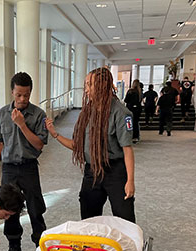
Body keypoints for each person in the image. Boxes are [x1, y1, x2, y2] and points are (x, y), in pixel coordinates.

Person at [45, 66, 135, 222]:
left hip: (115, 171)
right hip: (92, 171)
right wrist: (55, 134)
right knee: (88, 217)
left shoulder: (121, 113)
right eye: (86, 84)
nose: (86, 89)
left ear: (101, 85)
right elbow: (77, 146)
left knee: (124, 216)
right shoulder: (87, 112)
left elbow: (127, 150)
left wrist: (130, 181)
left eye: (89, 84)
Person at [0, 72, 48, 251]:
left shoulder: (39, 114)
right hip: (8, 169)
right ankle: (14, 248)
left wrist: (22, 125)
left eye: (26, 95)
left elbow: (39, 144)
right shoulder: (2, 114)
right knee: (9, 208)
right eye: (19, 95)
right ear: (12, 92)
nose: (22, 99)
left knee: (35, 209)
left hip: (28, 167)